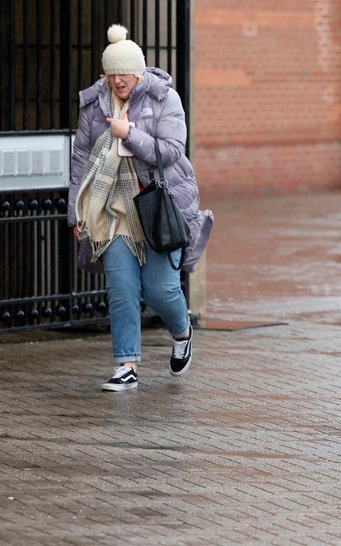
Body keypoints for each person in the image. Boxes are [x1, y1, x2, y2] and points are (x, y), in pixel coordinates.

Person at [68, 24, 213, 392]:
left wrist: (129, 134)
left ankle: (182, 331)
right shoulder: (93, 103)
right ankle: (126, 364)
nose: (119, 80)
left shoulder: (164, 98)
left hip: (155, 207)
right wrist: (76, 211)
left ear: (139, 71)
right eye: (112, 73)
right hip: (111, 209)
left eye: (125, 73)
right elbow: (81, 156)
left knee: (161, 291)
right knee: (121, 287)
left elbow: (172, 151)